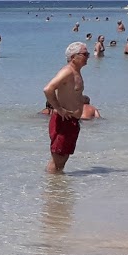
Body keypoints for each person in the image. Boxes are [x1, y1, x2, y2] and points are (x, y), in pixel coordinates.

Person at [42, 42, 89, 173]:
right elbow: (48, 89)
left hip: (72, 121)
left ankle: (58, 188)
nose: (87, 57)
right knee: (57, 159)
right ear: (73, 57)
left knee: (63, 158)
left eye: (88, 54)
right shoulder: (67, 71)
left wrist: (80, 99)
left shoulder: (76, 72)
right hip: (63, 120)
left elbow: (71, 93)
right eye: (85, 54)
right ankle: (52, 189)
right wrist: (59, 109)